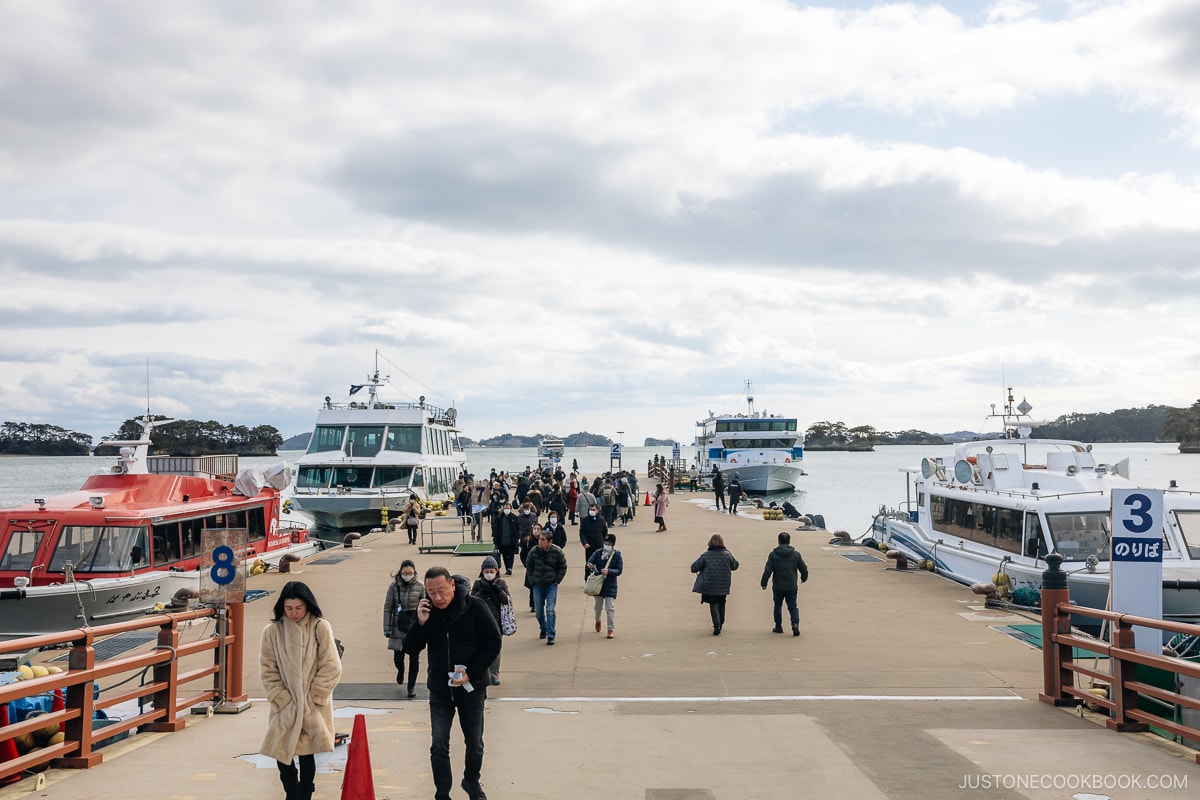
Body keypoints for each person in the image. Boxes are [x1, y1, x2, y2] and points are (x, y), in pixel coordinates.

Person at [404, 566, 502, 800]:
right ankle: (442, 793)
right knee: (439, 743)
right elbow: (410, 648)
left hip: (471, 689)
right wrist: (420, 623)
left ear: (452, 585)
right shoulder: (427, 612)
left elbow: (493, 643)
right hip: (440, 690)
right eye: (431, 592)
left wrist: (472, 673)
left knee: (474, 743)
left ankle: (471, 781)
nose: (437, 598)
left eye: (441, 591)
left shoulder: (474, 607)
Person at [259, 581, 342, 800]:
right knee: (281, 754)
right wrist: (281, 697)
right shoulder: (272, 631)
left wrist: (315, 696)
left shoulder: (319, 626)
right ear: (282, 607)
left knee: (307, 755)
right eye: (289, 608)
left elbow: (331, 665)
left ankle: (304, 794)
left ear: (307, 605)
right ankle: (292, 792)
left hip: (311, 705)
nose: (294, 613)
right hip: (284, 705)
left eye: (298, 608)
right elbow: (267, 669)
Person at [384, 559, 427, 698]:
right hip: (398, 625)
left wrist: (424, 626)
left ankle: (411, 687)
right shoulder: (393, 587)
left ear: (414, 573)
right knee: (398, 657)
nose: (407, 575)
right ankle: (400, 670)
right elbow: (387, 608)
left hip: (413, 626)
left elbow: (426, 606)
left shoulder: (420, 587)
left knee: (414, 658)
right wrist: (387, 628)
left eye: (410, 573)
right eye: (405, 573)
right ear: (400, 573)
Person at [470, 556, 511, 684]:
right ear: (482, 571)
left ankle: (494, 674)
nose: (489, 574)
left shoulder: (501, 583)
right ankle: (484, 672)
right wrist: (482, 591)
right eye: (486, 571)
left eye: (491, 571)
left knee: (495, 649)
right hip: (481, 621)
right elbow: (471, 600)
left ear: (496, 571)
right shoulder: (478, 584)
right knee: (481, 648)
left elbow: (507, 601)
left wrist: (498, 592)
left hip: (497, 621)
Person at [760, 531, 810, 636]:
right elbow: (803, 568)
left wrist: (764, 582)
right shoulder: (796, 554)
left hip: (778, 586)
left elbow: (768, 570)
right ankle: (795, 623)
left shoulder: (773, 554)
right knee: (793, 607)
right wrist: (804, 578)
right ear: (789, 541)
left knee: (777, 606)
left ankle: (778, 626)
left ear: (778, 541)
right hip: (791, 585)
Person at [524, 527, 568, 645]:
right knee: (538, 611)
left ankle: (551, 634)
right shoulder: (534, 551)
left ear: (550, 542)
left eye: (543, 540)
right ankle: (543, 628)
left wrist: (557, 580)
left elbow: (563, 567)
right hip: (537, 585)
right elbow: (529, 566)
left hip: (551, 585)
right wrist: (532, 580)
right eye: (540, 539)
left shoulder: (557, 552)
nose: (540, 542)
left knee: (550, 610)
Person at [690, 533, 739, 636]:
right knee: (722, 602)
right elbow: (735, 565)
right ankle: (721, 623)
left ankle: (716, 625)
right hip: (724, 583)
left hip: (710, 583)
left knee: (713, 603)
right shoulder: (727, 554)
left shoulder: (706, 555)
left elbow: (694, 567)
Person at [586, 532, 623, 638]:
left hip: (610, 584)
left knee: (610, 608)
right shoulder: (598, 553)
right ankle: (597, 620)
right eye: (605, 543)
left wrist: (609, 571)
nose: (606, 545)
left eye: (608, 543)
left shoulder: (617, 555)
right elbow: (590, 562)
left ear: (612, 545)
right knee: (598, 607)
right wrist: (591, 566)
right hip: (598, 584)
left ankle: (610, 629)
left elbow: (619, 570)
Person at [579, 502, 607, 576]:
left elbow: (605, 533)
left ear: (597, 510)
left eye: (593, 509)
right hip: (589, 547)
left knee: (600, 564)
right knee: (589, 564)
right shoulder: (585, 520)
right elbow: (582, 533)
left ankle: (598, 580)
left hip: (599, 546)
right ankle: (587, 579)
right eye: (590, 509)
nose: (592, 511)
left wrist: (604, 543)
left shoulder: (602, 520)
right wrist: (584, 543)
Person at [492, 501, 520, 575]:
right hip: (502, 540)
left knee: (511, 555)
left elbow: (518, 528)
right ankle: (507, 567)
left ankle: (510, 568)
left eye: (508, 508)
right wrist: (495, 539)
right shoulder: (500, 518)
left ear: (510, 509)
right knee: (504, 555)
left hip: (511, 540)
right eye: (505, 508)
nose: (506, 509)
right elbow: (496, 529)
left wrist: (517, 537)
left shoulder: (514, 518)